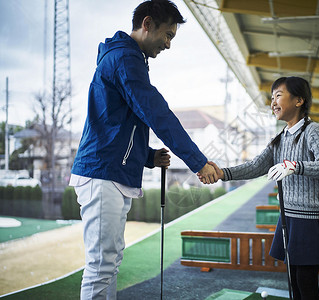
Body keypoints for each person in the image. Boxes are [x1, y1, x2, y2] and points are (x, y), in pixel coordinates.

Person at [70, 1, 217, 299]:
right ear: (147, 24)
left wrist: (148, 157)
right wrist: (198, 162)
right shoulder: (126, 59)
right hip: (102, 174)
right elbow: (155, 112)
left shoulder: (127, 58)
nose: (168, 45)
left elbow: (118, 124)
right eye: (167, 35)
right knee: (101, 266)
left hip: (110, 172)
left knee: (108, 265)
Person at [200, 76, 319, 299]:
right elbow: (256, 166)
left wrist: (295, 166)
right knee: (293, 278)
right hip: (289, 217)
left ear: (299, 100)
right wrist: (222, 173)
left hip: (310, 218)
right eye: (272, 97)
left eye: (278, 95)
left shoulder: (313, 131)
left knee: (306, 280)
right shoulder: (280, 137)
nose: (273, 102)